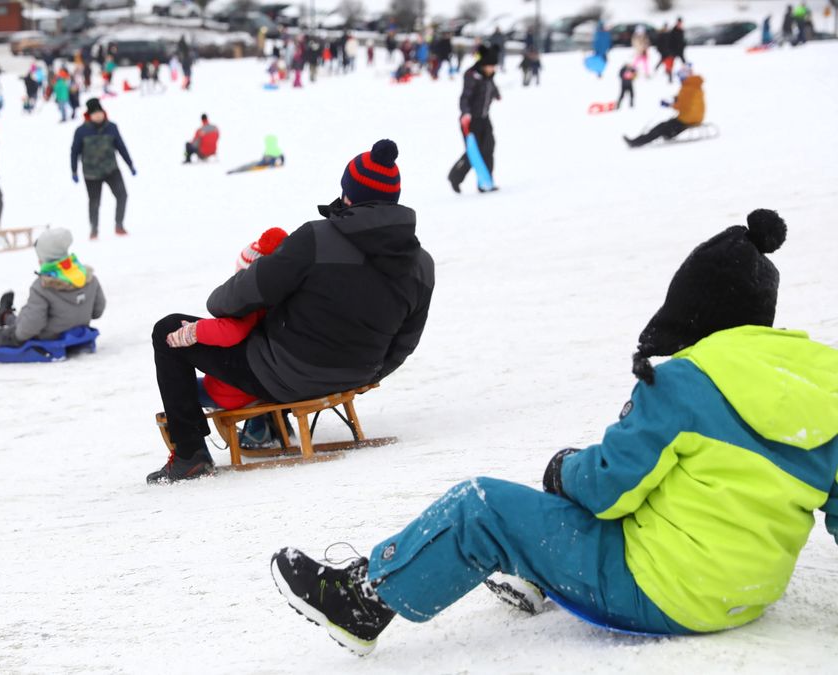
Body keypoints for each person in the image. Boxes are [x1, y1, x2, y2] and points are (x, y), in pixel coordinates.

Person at [268, 209, 838, 657]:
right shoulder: (822, 385)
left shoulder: (686, 382)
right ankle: (537, 580)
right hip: (748, 597)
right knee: (642, 489)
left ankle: (363, 603)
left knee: (481, 507)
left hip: (664, 592)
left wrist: (563, 470)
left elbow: (608, 490)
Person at [147, 139, 434, 484]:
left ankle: (190, 454)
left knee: (167, 331)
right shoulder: (421, 264)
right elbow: (406, 342)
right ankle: (265, 423)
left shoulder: (316, 238)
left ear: (348, 194)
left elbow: (234, 299)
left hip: (286, 374)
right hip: (358, 373)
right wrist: (369, 373)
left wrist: (221, 298)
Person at [167, 227, 292, 449]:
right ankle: (277, 423)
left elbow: (231, 331)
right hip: (277, 375)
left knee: (183, 388)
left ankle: (257, 432)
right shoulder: (285, 303)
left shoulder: (249, 305)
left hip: (240, 388)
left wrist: (197, 330)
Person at [0, 227, 106, 358]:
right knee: (26, 320)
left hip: (49, 338)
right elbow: (97, 311)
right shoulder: (88, 277)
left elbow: (28, 329)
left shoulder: (43, 287)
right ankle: (4, 317)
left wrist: (14, 333)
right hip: (76, 330)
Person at [70, 98, 135, 240]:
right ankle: (94, 229)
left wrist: (130, 164)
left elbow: (121, 146)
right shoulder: (81, 131)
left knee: (122, 195)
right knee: (94, 202)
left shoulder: (111, 127)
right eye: (95, 113)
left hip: (111, 169)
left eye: (100, 112)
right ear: (89, 115)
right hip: (91, 173)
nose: (98, 116)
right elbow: (74, 151)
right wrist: (74, 170)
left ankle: (119, 225)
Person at [448, 45, 501, 194]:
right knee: (474, 152)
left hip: (484, 118)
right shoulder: (471, 75)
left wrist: (497, 94)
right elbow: (465, 97)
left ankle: (486, 182)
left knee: (489, 147)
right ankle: (455, 177)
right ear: (484, 64)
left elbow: (491, 87)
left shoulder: (488, 76)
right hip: (470, 120)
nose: (493, 69)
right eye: (491, 65)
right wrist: (465, 113)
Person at [624, 69, 705, 147]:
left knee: (660, 127)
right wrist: (675, 99)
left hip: (687, 118)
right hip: (697, 117)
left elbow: (682, 105)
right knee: (668, 123)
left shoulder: (687, 88)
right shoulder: (694, 85)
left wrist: (669, 105)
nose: (679, 79)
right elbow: (687, 100)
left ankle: (636, 142)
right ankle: (667, 134)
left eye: (680, 76)